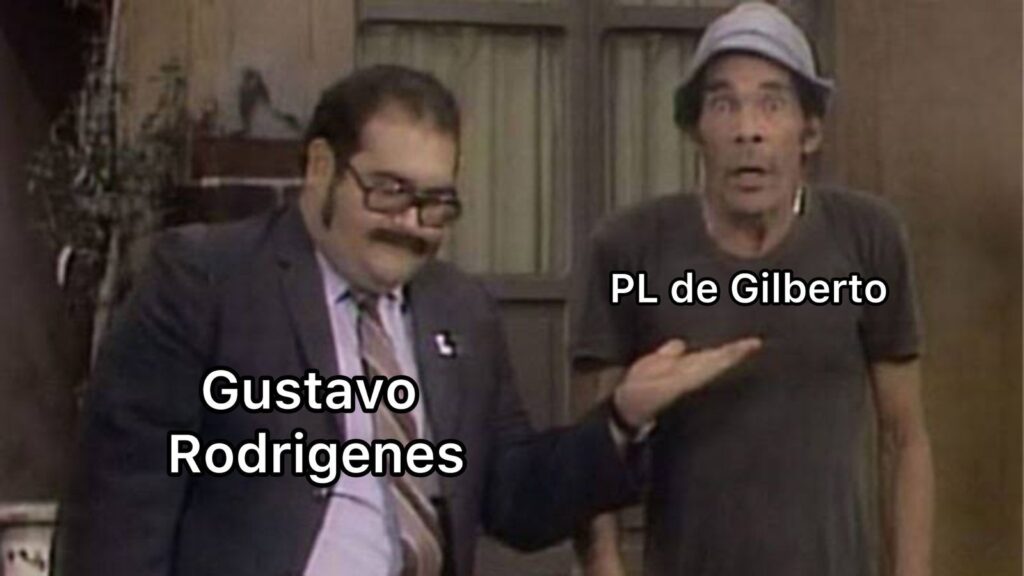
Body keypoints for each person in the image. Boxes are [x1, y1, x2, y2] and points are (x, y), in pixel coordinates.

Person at [55, 65, 761, 576]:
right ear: (321, 167)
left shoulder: (461, 310)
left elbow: (514, 499)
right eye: (389, 192)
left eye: (437, 203)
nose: (413, 225)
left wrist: (621, 418)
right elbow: (117, 521)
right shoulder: (207, 282)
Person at [571, 3, 933, 576]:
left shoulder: (868, 238)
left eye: (772, 103)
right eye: (724, 104)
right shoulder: (630, 248)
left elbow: (903, 437)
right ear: (696, 129)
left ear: (809, 131)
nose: (748, 129)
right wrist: (605, 567)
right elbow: (589, 444)